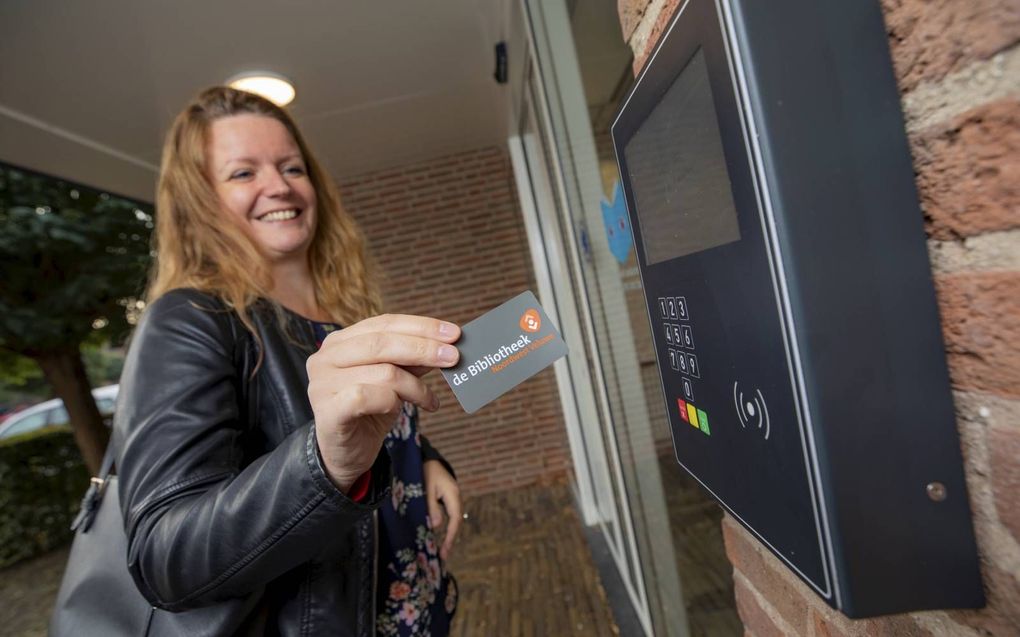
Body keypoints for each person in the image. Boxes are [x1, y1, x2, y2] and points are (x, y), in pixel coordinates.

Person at [113, 86, 463, 635]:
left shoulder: (347, 306)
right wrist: (326, 463)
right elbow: (165, 557)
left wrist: (428, 458)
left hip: (410, 607)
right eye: (242, 174)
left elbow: (365, 419)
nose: (278, 186)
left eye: (292, 167)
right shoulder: (190, 321)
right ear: (198, 200)